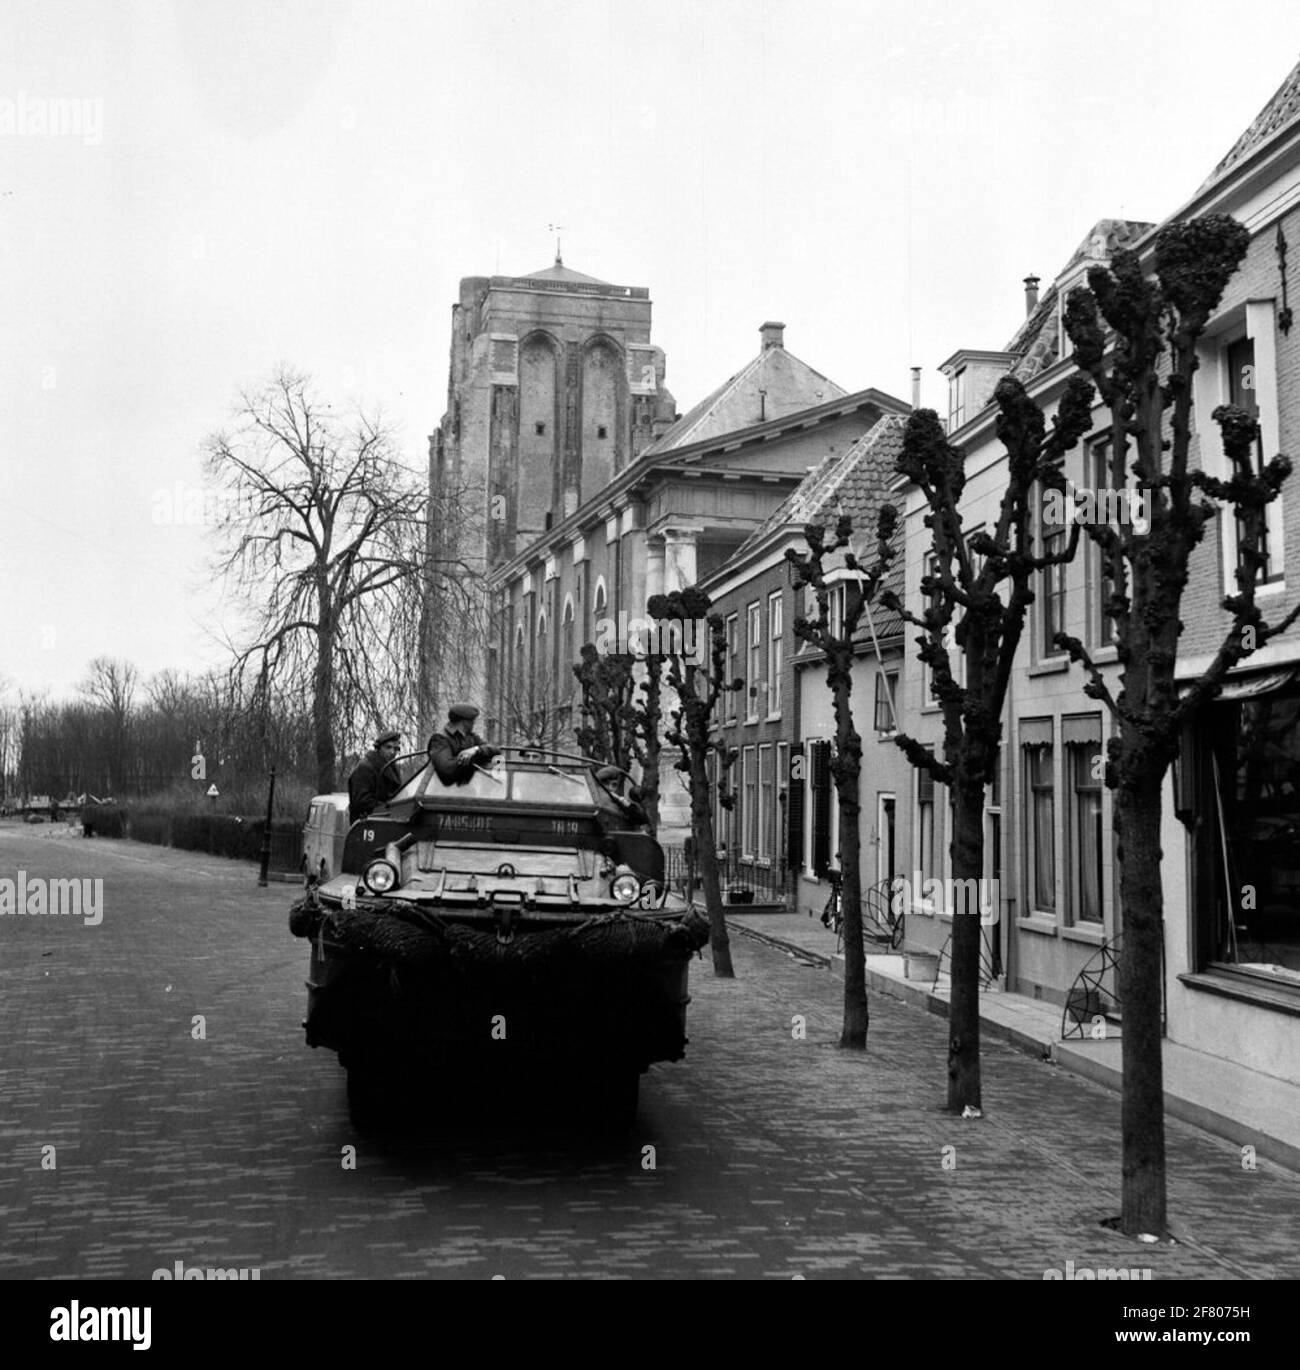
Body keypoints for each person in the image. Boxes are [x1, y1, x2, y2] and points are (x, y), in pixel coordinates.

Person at [427, 704, 497, 784]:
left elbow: (495, 749)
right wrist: (466, 758)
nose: (474, 724)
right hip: (442, 794)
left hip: (468, 792)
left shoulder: (471, 737)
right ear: (465, 722)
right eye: (472, 721)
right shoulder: (439, 739)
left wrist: (475, 750)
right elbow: (446, 769)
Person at [348, 728, 403, 824]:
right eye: (388, 747)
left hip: (387, 822)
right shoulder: (365, 768)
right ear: (379, 748)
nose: (392, 752)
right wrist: (389, 807)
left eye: (395, 749)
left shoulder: (393, 768)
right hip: (367, 825)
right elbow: (361, 802)